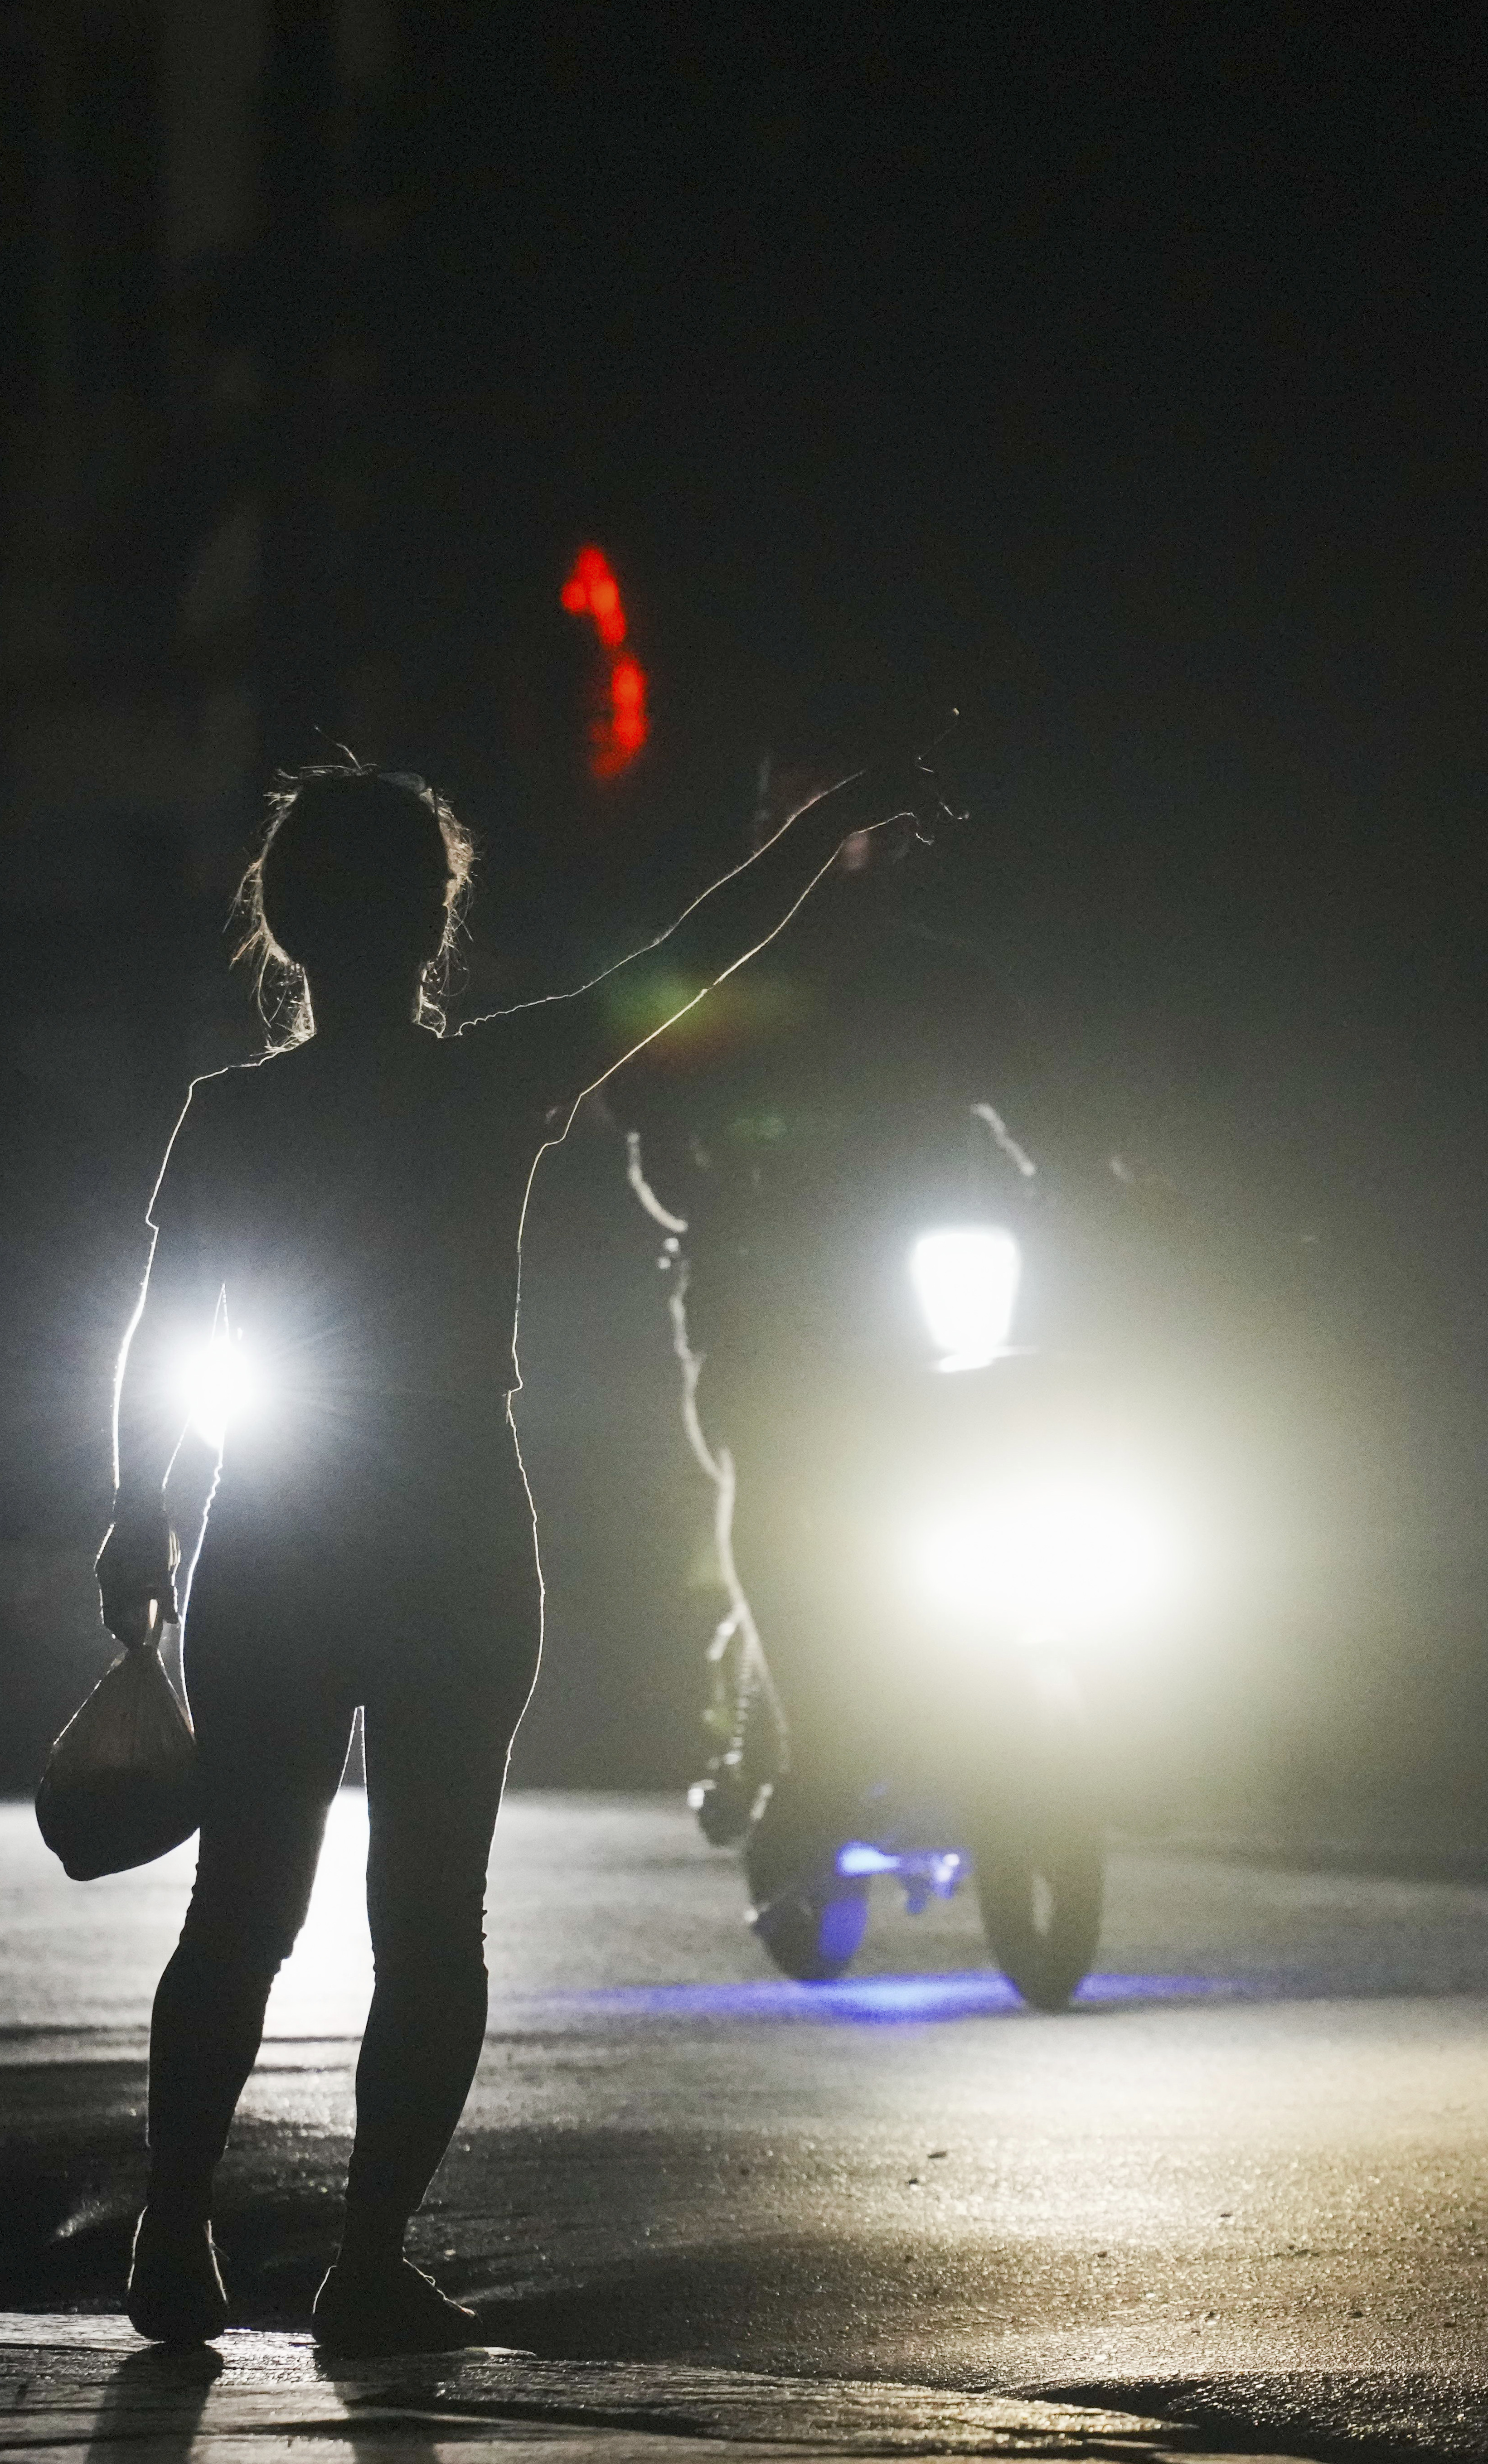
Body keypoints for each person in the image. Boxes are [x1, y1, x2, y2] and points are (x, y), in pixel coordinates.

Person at [99, 758, 930, 2354]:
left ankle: (173, 2230)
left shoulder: (231, 1118)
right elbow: (700, 953)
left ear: (280, 922)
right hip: (454, 1529)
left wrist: (141, 1508)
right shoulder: (496, 1080)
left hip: (270, 1527)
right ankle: (365, 2257)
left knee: (238, 1912)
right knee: (432, 1918)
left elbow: (164, 1342)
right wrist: (829, 831)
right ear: (437, 925)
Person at [609, 762, 1056, 1924]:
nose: (832, 844)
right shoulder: (711, 969)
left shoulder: (943, 979)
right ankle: (814, 1749)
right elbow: (646, 1110)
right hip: (761, 1300)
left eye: (853, 824)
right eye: (801, 821)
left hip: (917, 1303)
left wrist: (1123, 1181)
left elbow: (1054, 1106)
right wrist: (706, 1185)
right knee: (778, 1479)